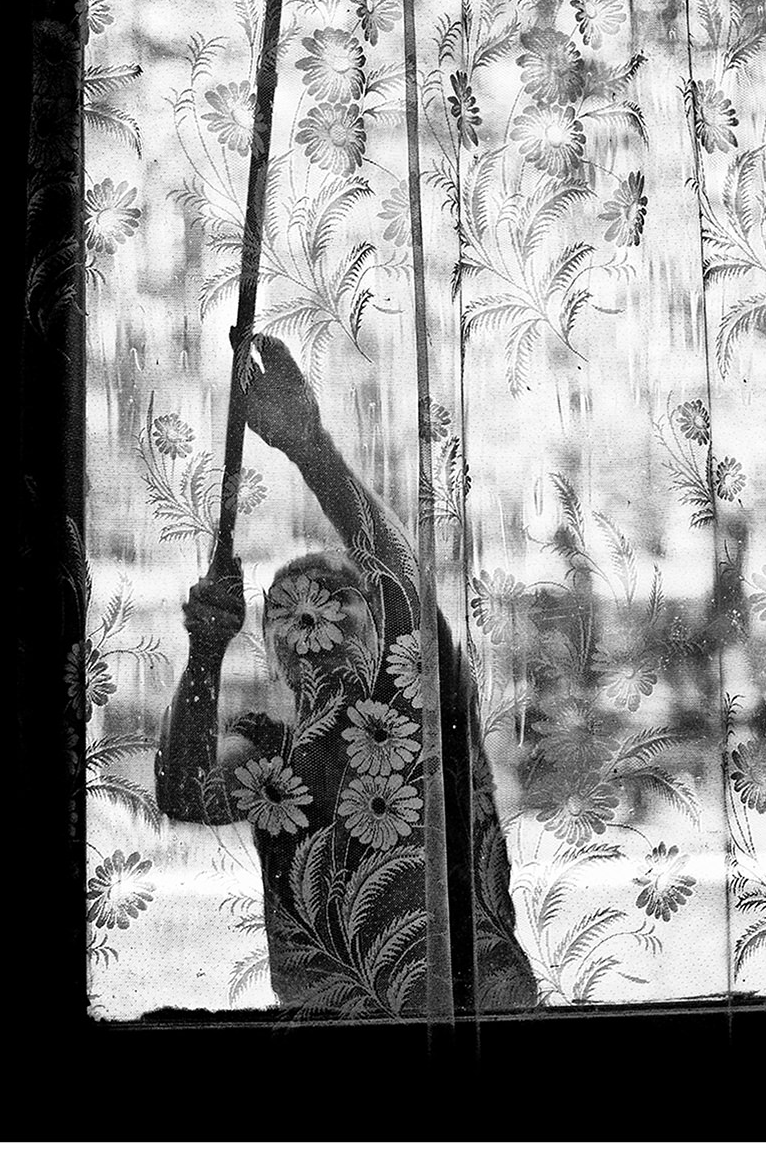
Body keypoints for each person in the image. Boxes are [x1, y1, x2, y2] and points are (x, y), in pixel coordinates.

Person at [156, 333, 537, 1019]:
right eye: (288, 611)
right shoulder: (273, 753)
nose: (313, 622)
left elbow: (401, 580)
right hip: (331, 1048)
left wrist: (310, 448)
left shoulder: (425, 720)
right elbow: (184, 792)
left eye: (341, 600)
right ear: (272, 651)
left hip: (480, 1027)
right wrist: (206, 652)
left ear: (384, 627)